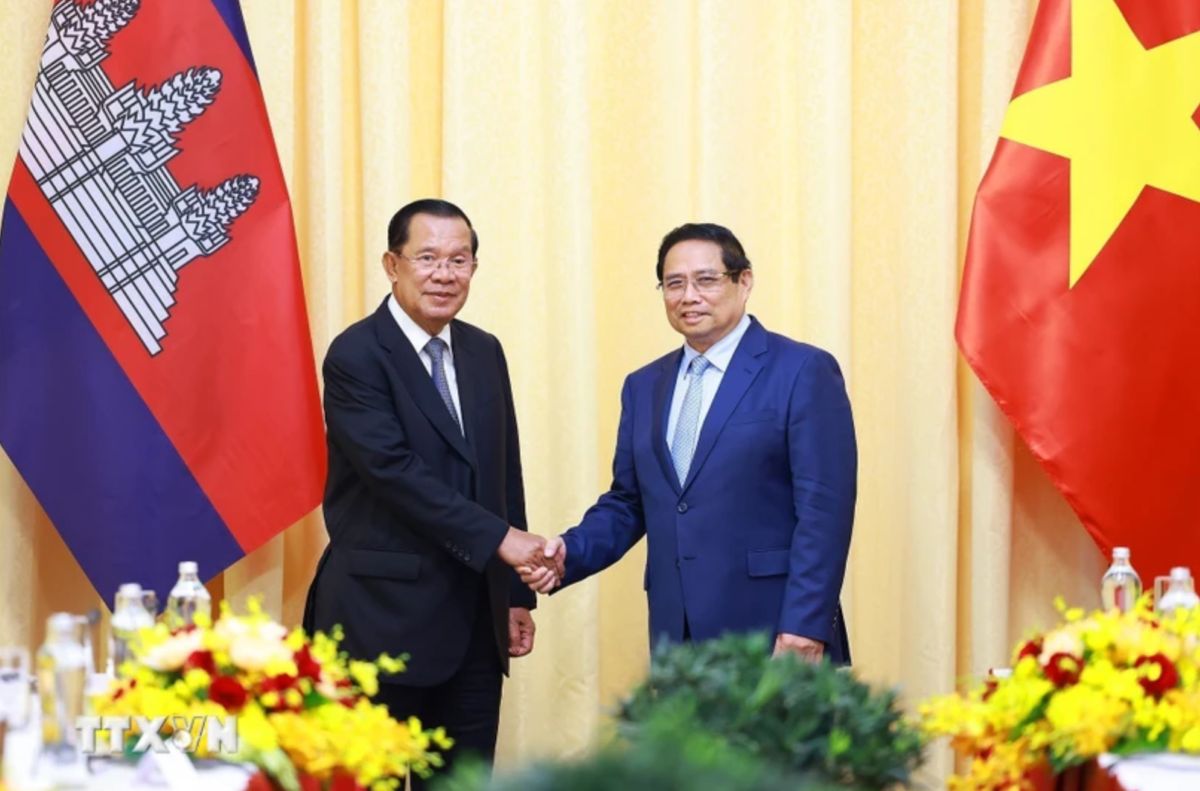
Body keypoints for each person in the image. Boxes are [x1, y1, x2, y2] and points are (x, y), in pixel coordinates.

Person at [524, 222, 856, 663]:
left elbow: (824, 511)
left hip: (775, 632)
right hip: (676, 635)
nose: (688, 296)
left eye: (706, 280)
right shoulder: (643, 386)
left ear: (745, 281)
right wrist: (569, 552)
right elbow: (629, 502)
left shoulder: (802, 370)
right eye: (674, 283)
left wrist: (804, 625)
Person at [303, 199, 552, 785]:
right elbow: (393, 472)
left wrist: (516, 593)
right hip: (377, 625)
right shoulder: (357, 354)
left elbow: (502, 473)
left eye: (459, 260)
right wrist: (503, 541)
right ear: (392, 265)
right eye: (428, 258)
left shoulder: (483, 350)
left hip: (473, 628)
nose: (445, 274)